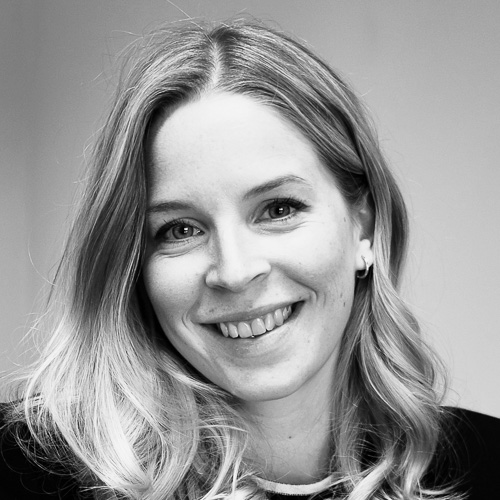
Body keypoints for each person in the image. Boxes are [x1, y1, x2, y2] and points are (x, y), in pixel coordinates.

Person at [1, 19, 499, 500]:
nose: (235, 272)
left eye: (278, 209)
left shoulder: (487, 466)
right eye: (181, 230)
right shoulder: (22, 471)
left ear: (362, 227)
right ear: (133, 265)